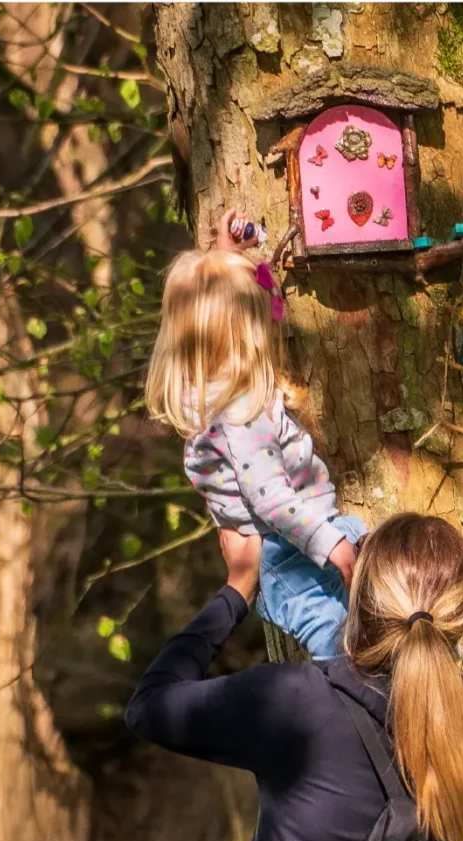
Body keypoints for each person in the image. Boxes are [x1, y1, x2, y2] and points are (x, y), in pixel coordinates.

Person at [126, 513, 463, 841]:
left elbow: (149, 707)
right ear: (462, 620)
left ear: (360, 596)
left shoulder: (297, 703)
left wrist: (238, 586)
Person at [145, 209, 366, 658]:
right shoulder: (243, 413)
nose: (273, 320)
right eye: (261, 316)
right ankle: (356, 716)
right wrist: (330, 544)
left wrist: (226, 256)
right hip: (292, 554)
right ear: (245, 334)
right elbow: (271, 498)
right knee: (339, 651)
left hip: (289, 548)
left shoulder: (204, 388)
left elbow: (210, 308)